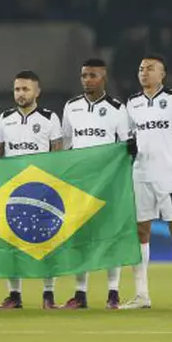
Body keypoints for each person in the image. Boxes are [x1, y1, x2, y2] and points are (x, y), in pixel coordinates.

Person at [0, 70, 63, 309]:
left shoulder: (49, 118)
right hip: (14, 192)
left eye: (26, 89)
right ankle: (14, 295)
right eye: (17, 89)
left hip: (43, 191)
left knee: (47, 245)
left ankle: (48, 295)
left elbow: (57, 154)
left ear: (37, 92)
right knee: (12, 245)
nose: (20, 93)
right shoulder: (5, 118)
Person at [123, 54, 172, 310]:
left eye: (150, 69)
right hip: (140, 174)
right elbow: (128, 135)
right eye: (141, 68)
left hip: (169, 175)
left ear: (162, 74)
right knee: (140, 232)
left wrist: (167, 143)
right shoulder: (132, 103)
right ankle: (142, 295)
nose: (144, 72)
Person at [59, 58, 130, 309]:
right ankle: (80, 293)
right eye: (84, 75)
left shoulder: (117, 108)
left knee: (109, 236)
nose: (87, 79)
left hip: (108, 181)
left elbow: (126, 145)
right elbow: (64, 144)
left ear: (104, 78)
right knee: (81, 237)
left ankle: (113, 292)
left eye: (92, 75)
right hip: (80, 182)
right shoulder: (71, 107)